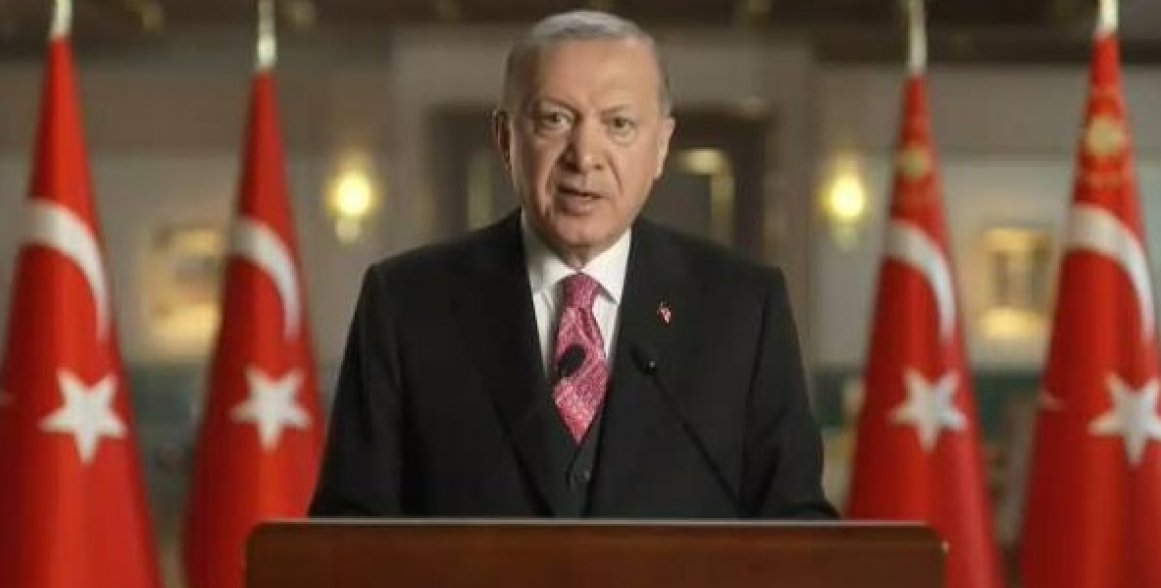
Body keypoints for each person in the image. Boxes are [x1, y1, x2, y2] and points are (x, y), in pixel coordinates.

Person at [309, 10, 835, 519]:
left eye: (619, 124)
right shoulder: (405, 304)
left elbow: (798, 531)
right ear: (505, 138)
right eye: (555, 120)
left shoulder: (743, 309)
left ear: (660, 146)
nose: (584, 156)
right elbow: (347, 536)